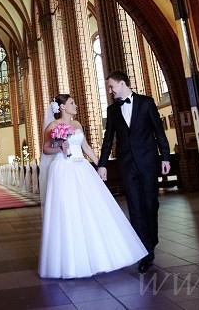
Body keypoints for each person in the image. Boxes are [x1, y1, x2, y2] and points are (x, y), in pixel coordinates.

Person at [38, 94, 148, 279]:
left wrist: (100, 164)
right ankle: (73, 261)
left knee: (93, 207)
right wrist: (61, 148)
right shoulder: (52, 126)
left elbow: (86, 147)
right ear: (62, 107)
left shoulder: (77, 125)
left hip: (81, 167)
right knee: (69, 210)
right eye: (72, 103)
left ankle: (103, 255)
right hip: (63, 169)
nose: (75, 105)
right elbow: (46, 149)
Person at [98, 71, 171, 273]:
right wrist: (102, 164)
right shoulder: (112, 110)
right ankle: (144, 251)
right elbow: (107, 139)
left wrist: (165, 156)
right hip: (127, 164)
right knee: (135, 207)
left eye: (112, 87)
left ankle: (151, 241)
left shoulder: (146, 103)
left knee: (150, 204)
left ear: (122, 84)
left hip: (148, 162)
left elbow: (159, 131)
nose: (110, 91)